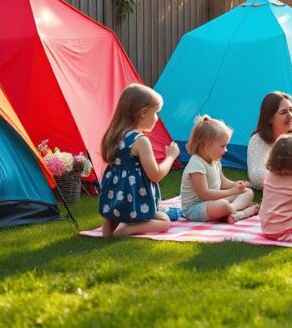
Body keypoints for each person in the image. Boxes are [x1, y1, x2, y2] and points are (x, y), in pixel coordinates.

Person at [98, 84, 180, 237]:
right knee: (165, 221)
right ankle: (126, 229)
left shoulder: (113, 135)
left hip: (114, 203)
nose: (157, 118)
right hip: (135, 203)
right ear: (143, 112)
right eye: (156, 112)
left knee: (118, 215)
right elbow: (155, 175)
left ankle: (110, 225)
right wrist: (171, 156)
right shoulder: (140, 140)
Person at [179, 115, 258, 224]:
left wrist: (236, 185)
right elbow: (204, 194)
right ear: (206, 146)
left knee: (247, 192)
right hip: (195, 209)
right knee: (223, 205)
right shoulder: (196, 164)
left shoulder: (215, 161)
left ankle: (230, 210)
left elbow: (223, 183)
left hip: (213, 203)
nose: (226, 150)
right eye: (222, 146)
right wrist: (231, 192)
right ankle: (240, 213)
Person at [246, 91, 292, 188]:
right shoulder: (258, 140)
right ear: (270, 119)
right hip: (288, 189)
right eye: (283, 112)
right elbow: (257, 175)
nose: (290, 115)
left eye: (291, 110)